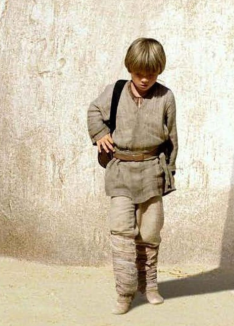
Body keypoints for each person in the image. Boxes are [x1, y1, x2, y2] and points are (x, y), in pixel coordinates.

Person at [87, 37, 178, 315]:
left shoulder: (166, 97)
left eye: (151, 74)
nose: (144, 80)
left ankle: (149, 285)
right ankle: (124, 293)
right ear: (130, 69)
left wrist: (169, 174)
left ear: (159, 71)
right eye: (139, 74)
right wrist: (100, 134)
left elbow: (172, 138)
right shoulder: (114, 92)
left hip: (151, 172)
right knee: (122, 233)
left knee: (150, 233)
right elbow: (93, 112)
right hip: (121, 173)